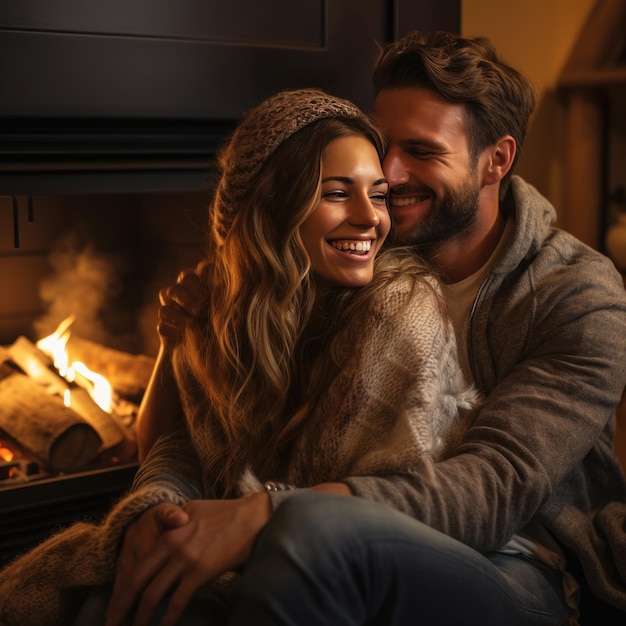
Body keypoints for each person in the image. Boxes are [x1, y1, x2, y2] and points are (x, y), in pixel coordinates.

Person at [105, 31, 626, 626]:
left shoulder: (579, 296)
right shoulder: (360, 257)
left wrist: (269, 513)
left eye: (422, 151)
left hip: (525, 572)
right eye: (384, 145)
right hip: (332, 532)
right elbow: (216, 432)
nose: (390, 172)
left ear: (496, 160)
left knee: (307, 537)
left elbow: (493, 490)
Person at [0, 88, 477, 626]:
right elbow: (177, 449)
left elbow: (361, 516)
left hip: (379, 567)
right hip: (277, 546)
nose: (370, 218)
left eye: (379, 194)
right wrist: (158, 506)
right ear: (272, 209)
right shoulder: (225, 304)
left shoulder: (400, 311)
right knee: (100, 598)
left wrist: (224, 526)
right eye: (337, 193)